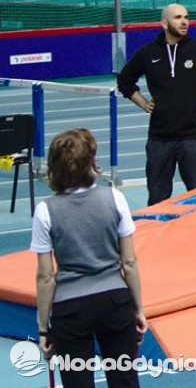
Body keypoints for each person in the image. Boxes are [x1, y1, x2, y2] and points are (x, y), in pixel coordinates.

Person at [32, 127, 147, 387]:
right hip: (115, 303)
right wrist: (138, 309)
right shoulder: (115, 198)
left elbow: (46, 277)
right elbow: (128, 263)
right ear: (91, 163)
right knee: (125, 381)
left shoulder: (45, 211)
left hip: (71, 310)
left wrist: (43, 329)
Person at [117, 4, 196, 206]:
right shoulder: (148, 53)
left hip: (193, 139)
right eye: (178, 17)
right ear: (164, 23)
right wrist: (142, 103)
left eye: (186, 17)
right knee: (158, 200)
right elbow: (124, 80)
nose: (184, 22)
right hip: (159, 140)